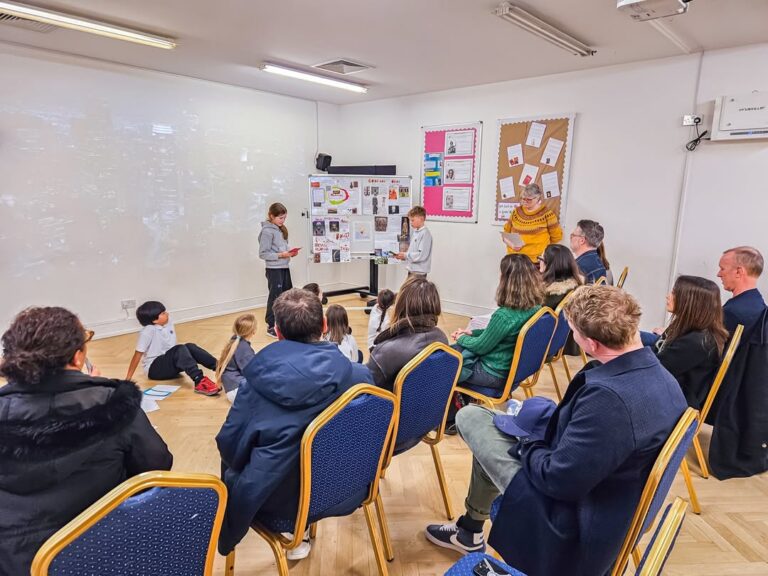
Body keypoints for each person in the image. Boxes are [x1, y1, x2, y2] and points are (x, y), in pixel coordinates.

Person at [425, 286, 687, 576]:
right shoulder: (664, 380)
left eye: (572, 330)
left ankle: (470, 530)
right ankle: (470, 529)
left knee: (472, 417)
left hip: (568, 523)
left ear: (591, 344)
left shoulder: (609, 400)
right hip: (606, 505)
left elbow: (558, 480)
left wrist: (528, 442)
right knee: (497, 426)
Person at [0, 307, 173, 575]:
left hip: (14, 561)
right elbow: (157, 466)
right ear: (78, 356)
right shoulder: (114, 403)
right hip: (104, 552)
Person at [216, 289, 373, 559]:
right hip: (352, 485)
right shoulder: (361, 378)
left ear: (277, 331)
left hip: (286, 503)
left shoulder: (254, 389)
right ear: (324, 326)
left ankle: (292, 535)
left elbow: (230, 448)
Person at [451, 254, 543, 391]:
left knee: (442, 364)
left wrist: (461, 337)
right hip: (510, 370)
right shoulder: (536, 308)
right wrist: (472, 332)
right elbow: (499, 334)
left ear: (507, 280)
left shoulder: (504, 315)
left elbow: (480, 346)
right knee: (450, 351)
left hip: (493, 372)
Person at [651, 276, 728, 410]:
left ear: (689, 302)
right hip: (667, 391)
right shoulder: (687, 328)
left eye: (674, 293)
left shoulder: (697, 342)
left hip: (674, 404)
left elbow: (655, 371)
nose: (668, 296)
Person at [367, 277, 448, 392]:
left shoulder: (385, 352)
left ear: (400, 306)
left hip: (395, 409)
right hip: (434, 408)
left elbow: (366, 392)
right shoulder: (442, 339)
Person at [126, 300, 220, 396]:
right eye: (163, 313)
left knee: (189, 346)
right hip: (154, 370)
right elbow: (137, 355)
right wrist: (128, 379)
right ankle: (199, 381)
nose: (167, 314)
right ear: (154, 320)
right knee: (179, 349)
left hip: (171, 363)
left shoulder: (169, 322)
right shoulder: (148, 331)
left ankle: (220, 368)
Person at [260, 202, 299, 338]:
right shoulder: (266, 232)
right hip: (274, 269)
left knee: (287, 295)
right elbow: (263, 254)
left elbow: (281, 249)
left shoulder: (281, 229)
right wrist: (281, 255)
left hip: (284, 267)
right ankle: (271, 325)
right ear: (271, 216)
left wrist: (290, 253)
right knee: (275, 297)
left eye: (284, 218)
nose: (283, 221)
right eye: (280, 218)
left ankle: (285, 322)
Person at [502, 184, 563, 263]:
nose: (525, 202)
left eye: (529, 199)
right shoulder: (516, 212)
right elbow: (505, 234)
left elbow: (556, 237)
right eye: (523, 199)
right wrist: (512, 245)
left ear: (537, 198)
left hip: (536, 261)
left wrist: (538, 247)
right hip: (515, 259)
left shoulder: (547, 214)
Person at [717, 246, 766, 332]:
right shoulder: (761, 306)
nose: (719, 274)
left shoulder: (732, 312)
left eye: (722, 269)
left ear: (738, 272)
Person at [215, 314, 258, 403]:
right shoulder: (244, 349)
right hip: (239, 392)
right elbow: (253, 373)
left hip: (233, 390)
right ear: (253, 331)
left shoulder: (234, 341)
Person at [538, 243, 582, 309]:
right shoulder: (576, 284)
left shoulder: (546, 300)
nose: (538, 260)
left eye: (541, 258)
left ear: (550, 266)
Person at [395, 206, 433, 278]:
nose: (411, 223)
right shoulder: (416, 232)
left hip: (419, 272)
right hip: (412, 270)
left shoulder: (425, 234)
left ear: (421, 219)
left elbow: (421, 255)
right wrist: (403, 256)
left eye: (413, 220)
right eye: (410, 220)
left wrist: (406, 255)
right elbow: (412, 251)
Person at [570, 219, 608, 284]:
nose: (570, 238)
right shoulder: (600, 263)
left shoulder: (577, 267)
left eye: (573, 235)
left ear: (582, 240)